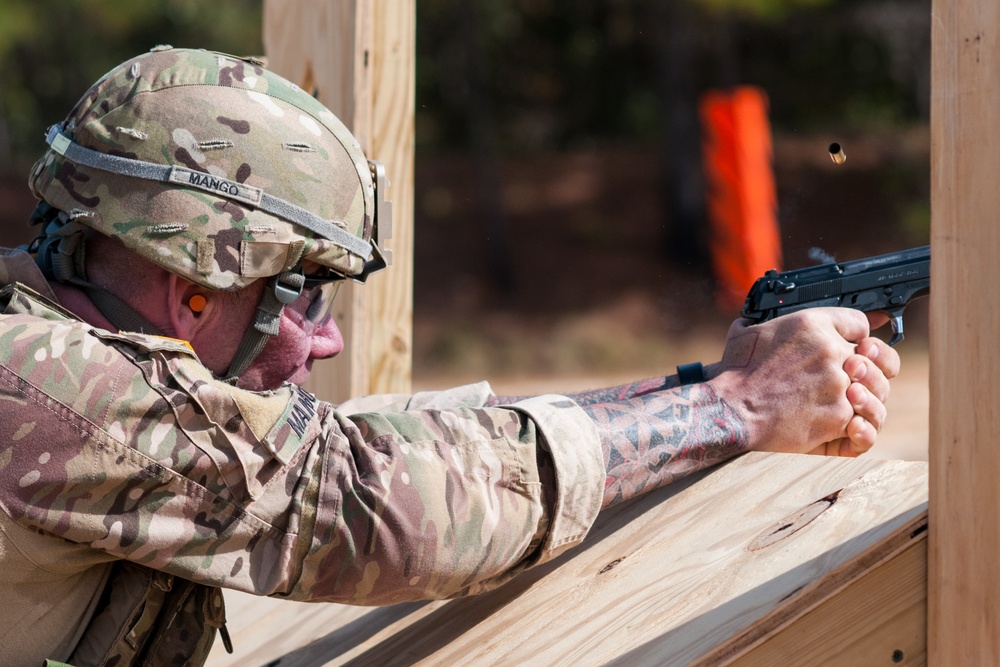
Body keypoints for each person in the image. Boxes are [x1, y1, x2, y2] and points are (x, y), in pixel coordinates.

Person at [0, 47, 898, 666]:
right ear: (193, 286)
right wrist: (739, 405)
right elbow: (376, 500)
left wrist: (700, 387)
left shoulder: (54, 340)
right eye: (303, 293)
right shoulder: (53, 393)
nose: (327, 337)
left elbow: (367, 443)